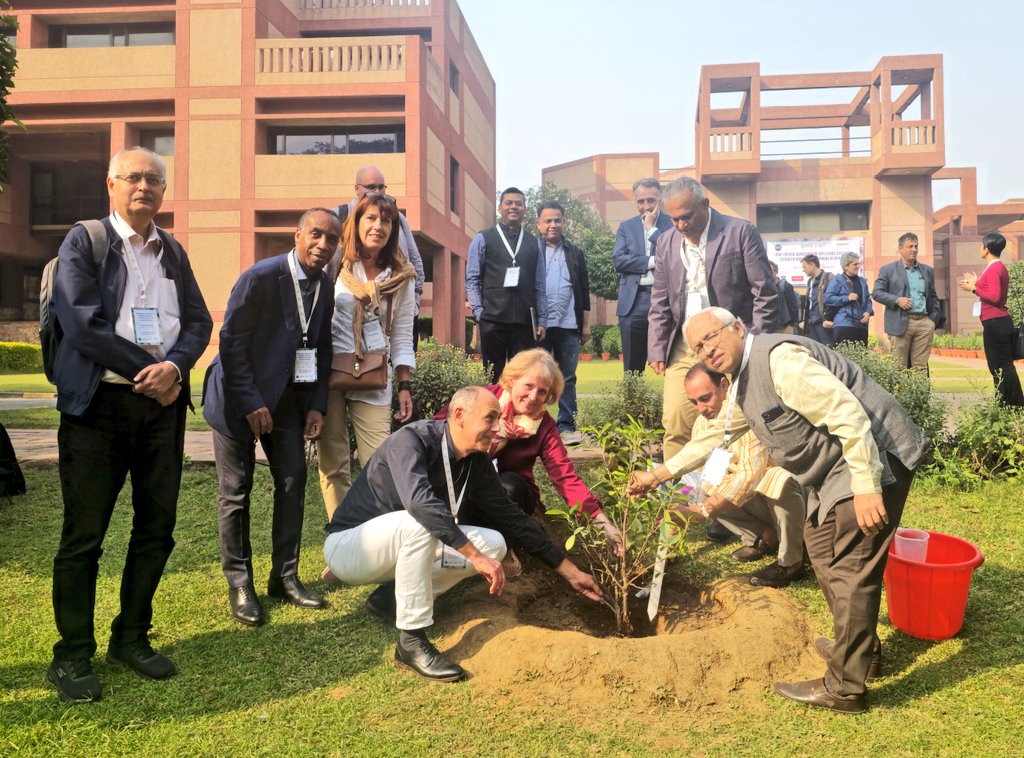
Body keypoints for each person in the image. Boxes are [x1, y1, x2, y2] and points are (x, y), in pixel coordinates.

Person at [631, 306, 928, 714]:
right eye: (698, 347)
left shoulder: (779, 361)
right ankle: (859, 649)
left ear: (737, 328)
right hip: (833, 469)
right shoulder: (739, 383)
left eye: (712, 337)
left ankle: (844, 688)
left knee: (851, 564)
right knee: (820, 547)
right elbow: (716, 436)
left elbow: (847, 415)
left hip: (872, 454)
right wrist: (660, 474)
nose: (707, 350)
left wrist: (866, 485)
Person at [49, 147, 212, 702]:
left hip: (159, 415)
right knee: (84, 537)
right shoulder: (85, 241)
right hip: (99, 409)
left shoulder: (172, 251)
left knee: (156, 530)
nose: (145, 187)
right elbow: (81, 324)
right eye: (134, 178)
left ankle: (131, 637)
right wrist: (153, 369)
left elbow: (199, 320)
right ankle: (71, 656)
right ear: (111, 184)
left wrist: (175, 367)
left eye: (155, 180)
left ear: (164, 192)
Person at [323, 386, 603, 682]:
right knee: (421, 522)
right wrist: (473, 557)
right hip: (350, 548)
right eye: (490, 419)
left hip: (399, 550)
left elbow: (513, 518)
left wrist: (568, 570)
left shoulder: (475, 461)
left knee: (494, 544)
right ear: (459, 415)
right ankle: (411, 640)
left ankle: (389, 600)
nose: (497, 429)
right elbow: (421, 505)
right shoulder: (410, 441)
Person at [203, 208, 340, 627]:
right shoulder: (260, 277)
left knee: (294, 479)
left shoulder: (325, 286)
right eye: (316, 235)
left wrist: (317, 404)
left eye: (331, 239)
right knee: (236, 492)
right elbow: (231, 342)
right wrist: (250, 402)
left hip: (286, 402)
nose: (323, 245)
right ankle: (240, 584)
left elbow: (319, 347)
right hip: (236, 399)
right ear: (297, 236)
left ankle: (284, 578)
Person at [434, 349, 623, 559]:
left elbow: (565, 477)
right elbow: (435, 431)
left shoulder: (544, 426)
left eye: (542, 391)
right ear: (512, 379)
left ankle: (504, 548)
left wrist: (604, 524)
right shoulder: (481, 400)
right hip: (464, 483)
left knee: (509, 485)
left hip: (511, 494)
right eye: (529, 386)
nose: (533, 397)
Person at [648, 176, 778, 460]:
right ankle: (679, 497)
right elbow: (659, 298)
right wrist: (657, 347)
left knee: (736, 421)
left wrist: (753, 343)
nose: (681, 225)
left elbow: (765, 293)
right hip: (684, 345)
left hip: (730, 342)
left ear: (705, 204)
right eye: (674, 220)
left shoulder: (740, 232)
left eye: (687, 217)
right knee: (676, 420)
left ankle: (732, 493)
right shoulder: (666, 242)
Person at [318, 193, 417, 519]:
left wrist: (405, 385)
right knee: (333, 463)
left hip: (374, 374)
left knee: (378, 462)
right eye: (371, 218)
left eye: (386, 220)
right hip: (330, 372)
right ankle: (341, 539)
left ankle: (373, 541)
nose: (378, 226)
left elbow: (402, 335)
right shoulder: (336, 263)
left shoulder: (402, 276)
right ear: (357, 223)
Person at [671, 363, 807, 588]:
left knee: (777, 480)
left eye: (705, 398)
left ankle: (791, 563)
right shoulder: (703, 424)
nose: (701, 408)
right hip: (758, 499)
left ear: (724, 385)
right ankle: (764, 537)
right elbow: (709, 475)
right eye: (694, 402)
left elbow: (751, 475)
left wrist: (703, 511)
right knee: (708, 489)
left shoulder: (749, 411)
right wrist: (685, 509)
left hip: (795, 498)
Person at [327, 165, 425, 343]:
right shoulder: (338, 215)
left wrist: (414, 302)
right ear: (357, 188)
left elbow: (415, 261)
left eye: (382, 187)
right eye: (371, 187)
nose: (378, 192)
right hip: (345, 322)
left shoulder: (399, 218)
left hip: (392, 314)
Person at [465, 187, 546, 381]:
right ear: (500, 208)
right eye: (508, 203)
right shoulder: (483, 238)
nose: (513, 207)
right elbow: (472, 278)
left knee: (523, 379)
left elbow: (540, 285)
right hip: (492, 321)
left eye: (518, 203)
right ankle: (495, 412)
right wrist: (479, 312)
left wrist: (542, 320)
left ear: (524, 208)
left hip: (524, 323)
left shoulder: (534, 243)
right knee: (493, 378)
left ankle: (518, 413)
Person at [535, 201, 591, 445]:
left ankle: (567, 426)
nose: (553, 225)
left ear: (563, 222)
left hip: (569, 324)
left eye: (557, 220)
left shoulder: (574, 252)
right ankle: (536, 424)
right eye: (547, 221)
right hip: (540, 326)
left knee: (568, 377)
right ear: (538, 224)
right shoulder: (531, 249)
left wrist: (585, 325)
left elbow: (584, 290)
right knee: (538, 376)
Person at [613, 178, 672, 373]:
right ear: (635, 201)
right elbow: (619, 260)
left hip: (665, 300)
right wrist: (654, 261)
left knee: (671, 362)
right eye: (640, 201)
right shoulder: (626, 227)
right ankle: (632, 404)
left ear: (660, 199)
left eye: (651, 201)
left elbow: (674, 254)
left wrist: (651, 229)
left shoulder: (672, 224)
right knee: (632, 369)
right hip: (634, 301)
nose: (646, 206)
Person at [958, 232, 1024, 406]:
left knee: (1000, 367)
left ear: (986, 249)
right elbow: (993, 291)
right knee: (1001, 366)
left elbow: (994, 297)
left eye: (981, 246)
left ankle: (1010, 405)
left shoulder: (995, 268)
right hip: (997, 322)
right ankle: (1010, 404)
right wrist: (977, 282)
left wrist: (973, 288)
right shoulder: (996, 267)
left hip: (996, 324)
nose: (980, 248)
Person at [872, 233, 943, 371]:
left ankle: (920, 394)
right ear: (900, 249)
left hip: (924, 323)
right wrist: (897, 300)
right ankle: (900, 394)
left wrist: (932, 321)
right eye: (910, 246)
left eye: (916, 246)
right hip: (901, 323)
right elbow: (877, 293)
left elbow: (934, 297)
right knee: (899, 367)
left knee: (920, 368)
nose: (914, 249)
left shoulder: (927, 270)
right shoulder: (888, 270)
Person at [823, 252, 873, 346]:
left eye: (859, 263)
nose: (858, 266)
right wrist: (847, 298)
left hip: (861, 326)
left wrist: (868, 312)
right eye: (855, 264)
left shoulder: (862, 281)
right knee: (844, 358)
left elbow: (867, 300)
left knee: (860, 359)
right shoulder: (837, 280)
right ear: (846, 266)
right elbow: (828, 299)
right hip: (844, 324)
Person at [799, 254, 835, 346]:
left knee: (829, 351)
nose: (803, 270)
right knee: (815, 352)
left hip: (823, 323)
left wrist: (832, 321)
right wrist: (805, 320)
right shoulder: (810, 281)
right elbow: (809, 303)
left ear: (812, 265)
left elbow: (834, 301)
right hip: (811, 324)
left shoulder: (829, 278)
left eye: (804, 267)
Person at [770, 261, 801, 334]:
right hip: (770, 328)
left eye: (770, 271)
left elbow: (793, 306)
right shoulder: (763, 287)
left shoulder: (784, 285)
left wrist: (791, 325)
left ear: (776, 271)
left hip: (785, 327)